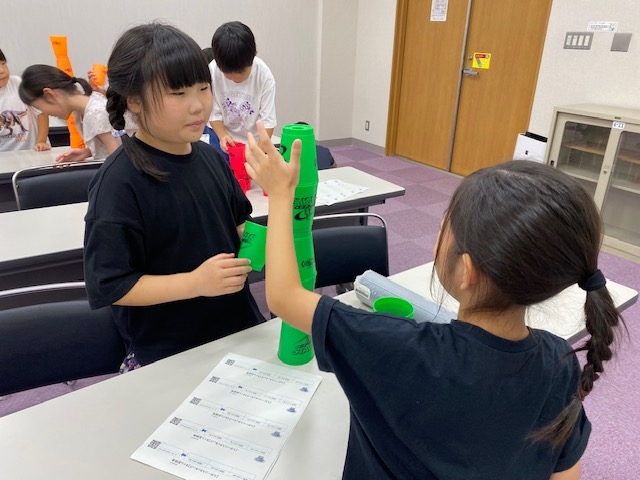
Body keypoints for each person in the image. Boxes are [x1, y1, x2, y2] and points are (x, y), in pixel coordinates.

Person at [245, 122, 624, 480]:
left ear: (468, 271)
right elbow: (565, 471)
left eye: (444, 227)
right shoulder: (560, 362)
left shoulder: (391, 345)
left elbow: (283, 296)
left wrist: (281, 195)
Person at [83, 22, 265, 372]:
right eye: (178, 93)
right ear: (134, 100)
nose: (198, 105)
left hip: (237, 327)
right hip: (170, 350)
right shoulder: (119, 182)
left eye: (203, 88)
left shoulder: (211, 158)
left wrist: (278, 236)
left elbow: (238, 224)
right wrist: (195, 283)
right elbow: (112, 285)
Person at [18, 65, 135, 162]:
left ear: (49, 94)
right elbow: (118, 147)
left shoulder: (94, 113)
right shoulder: (90, 104)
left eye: (39, 107)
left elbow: (119, 161)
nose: (44, 113)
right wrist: (88, 152)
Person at [208, 21, 276, 161]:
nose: (235, 78)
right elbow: (213, 113)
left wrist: (257, 154)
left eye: (240, 72)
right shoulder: (212, 71)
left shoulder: (264, 76)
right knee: (219, 167)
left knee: (253, 168)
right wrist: (223, 136)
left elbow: (267, 123)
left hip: (252, 140)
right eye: (227, 74)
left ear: (254, 55)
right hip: (220, 133)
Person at [0, 49, 50, 152]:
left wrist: (41, 142)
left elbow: (42, 113)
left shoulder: (18, 83)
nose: (2, 70)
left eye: (3, 64)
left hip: (34, 152)